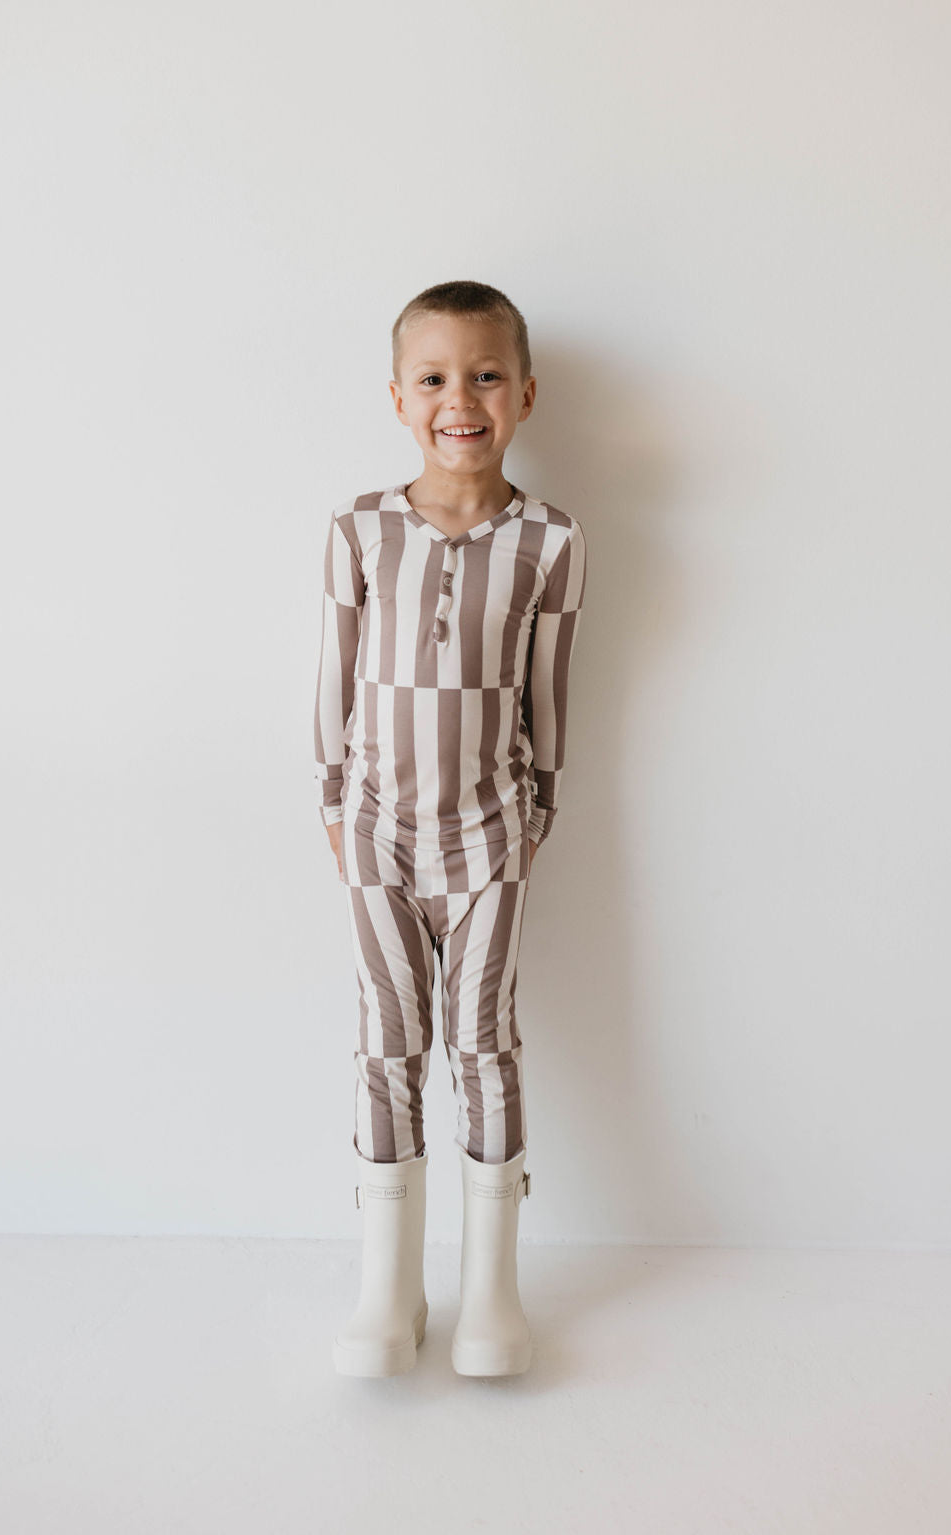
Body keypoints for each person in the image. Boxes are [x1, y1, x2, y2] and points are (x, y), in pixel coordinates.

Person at [313, 279, 587, 1377]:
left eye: (482, 375)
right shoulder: (360, 529)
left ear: (523, 393)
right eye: (433, 377)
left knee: (482, 1042)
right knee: (387, 1041)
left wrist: (541, 806)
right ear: (397, 396)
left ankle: (490, 1295)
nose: (458, 398)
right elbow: (331, 676)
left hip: (489, 835)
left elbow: (550, 689)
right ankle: (388, 1294)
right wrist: (334, 803)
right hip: (376, 830)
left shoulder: (552, 542)